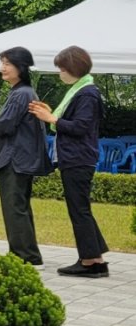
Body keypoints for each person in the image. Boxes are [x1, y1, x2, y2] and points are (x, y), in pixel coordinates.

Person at [30, 46, 110, 277]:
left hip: (78, 158)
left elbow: (80, 127)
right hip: (77, 157)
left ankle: (89, 262)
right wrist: (52, 115)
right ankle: (95, 259)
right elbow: (74, 121)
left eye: (62, 69)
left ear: (73, 68)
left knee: (79, 210)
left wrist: (52, 119)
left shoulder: (87, 94)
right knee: (81, 209)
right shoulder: (82, 90)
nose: (60, 73)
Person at [0, 46, 49, 266]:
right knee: (20, 206)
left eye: (7, 64)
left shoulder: (21, 94)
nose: (3, 68)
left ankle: (25, 256)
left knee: (14, 207)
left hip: (15, 159)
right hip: (21, 157)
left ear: (21, 67)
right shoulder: (24, 91)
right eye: (2, 63)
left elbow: (5, 124)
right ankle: (26, 253)